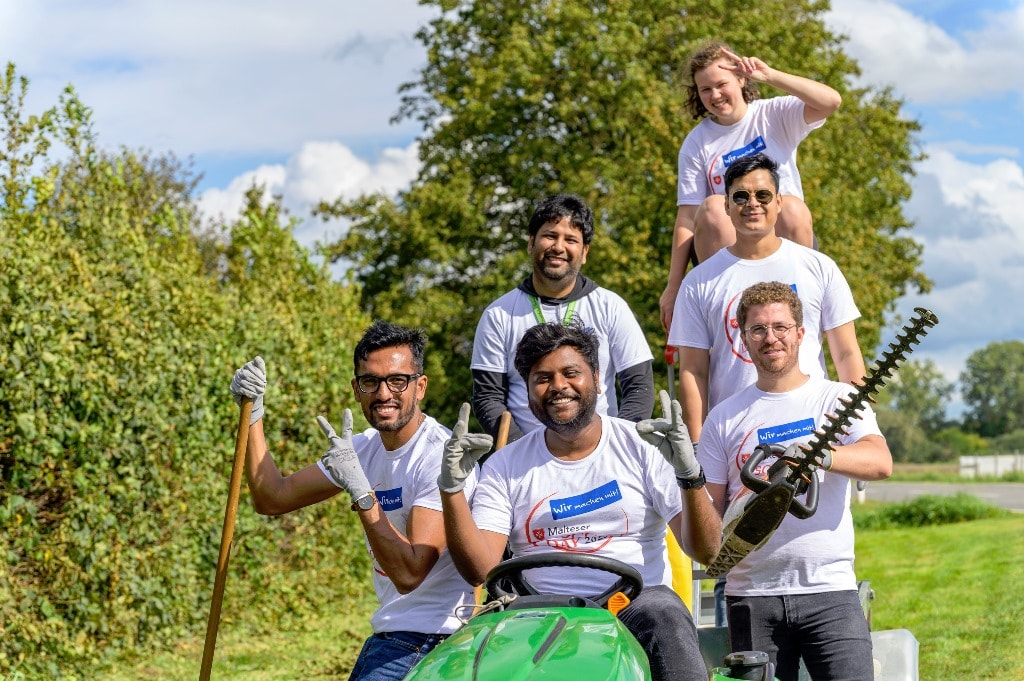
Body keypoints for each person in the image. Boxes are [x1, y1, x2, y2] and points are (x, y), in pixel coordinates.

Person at [442, 321, 721, 681]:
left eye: (570, 373)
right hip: (534, 613)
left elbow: (708, 551)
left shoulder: (645, 447)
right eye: (542, 378)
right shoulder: (504, 465)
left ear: (598, 378)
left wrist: (689, 474)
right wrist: (451, 491)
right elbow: (479, 569)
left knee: (664, 609)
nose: (558, 386)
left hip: (632, 607)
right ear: (528, 393)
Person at [229, 321, 488, 681]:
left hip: (435, 636)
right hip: (395, 632)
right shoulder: (363, 448)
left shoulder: (437, 457)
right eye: (371, 382)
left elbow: (409, 573)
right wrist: (253, 414)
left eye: (398, 380)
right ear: (356, 389)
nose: (384, 393)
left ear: (421, 386)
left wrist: (363, 496)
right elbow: (272, 497)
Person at [699, 280, 892, 680]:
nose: (770, 338)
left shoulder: (836, 399)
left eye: (780, 327)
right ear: (745, 339)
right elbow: (710, 514)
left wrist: (823, 454)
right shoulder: (724, 417)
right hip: (751, 595)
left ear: (800, 333)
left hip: (830, 590)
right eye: (758, 329)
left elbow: (880, 461)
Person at [669, 152, 865, 445]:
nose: (752, 204)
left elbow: (847, 354)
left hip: (814, 432)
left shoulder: (819, 267)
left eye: (763, 195)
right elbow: (693, 370)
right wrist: (697, 446)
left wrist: (859, 429)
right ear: (726, 205)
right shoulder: (699, 281)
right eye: (740, 197)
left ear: (779, 202)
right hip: (735, 435)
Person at [660, 40, 842, 331]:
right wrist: (673, 287)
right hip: (734, 245)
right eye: (705, 89)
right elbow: (686, 219)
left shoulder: (773, 115)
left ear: (741, 79)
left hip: (783, 236)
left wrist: (770, 76)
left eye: (721, 84)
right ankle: (723, 310)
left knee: (792, 207)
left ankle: (803, 305)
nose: (715, 95)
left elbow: (830, 101)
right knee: (713, 209)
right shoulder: (697, 142)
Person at [472, 193, 654, 443]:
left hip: (602, 452)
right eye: (549, 236)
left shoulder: (611, 307)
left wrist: (618, 446)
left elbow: (639, 388)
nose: (559, 247)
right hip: (527, 459)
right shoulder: (498, 314)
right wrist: (521, 453)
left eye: (571, 239)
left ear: (585, 251)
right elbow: (487, 397)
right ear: (531, 243)